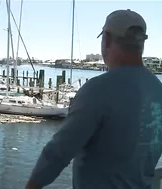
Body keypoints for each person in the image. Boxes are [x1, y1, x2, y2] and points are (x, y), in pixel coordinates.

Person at [26, 9, 162, 189]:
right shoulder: (157, 88)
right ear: (141, 44)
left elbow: (58, 153)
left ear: (106, 39)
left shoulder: (98, 90)